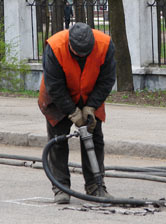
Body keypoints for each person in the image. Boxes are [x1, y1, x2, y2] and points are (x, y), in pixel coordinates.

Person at [38, 22, 116, 204]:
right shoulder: (55, 46)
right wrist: (72, 112)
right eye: (77, 53)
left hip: (90, 94)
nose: (81, 56)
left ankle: (95, 187)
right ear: (70, 45)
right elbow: (55, 86)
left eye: (85, 53)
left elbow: (107, 80)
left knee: (94, 138)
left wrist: (91, 107)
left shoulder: (105, 45)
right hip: (58, 97)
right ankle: (61, 188)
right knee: (58, 140)